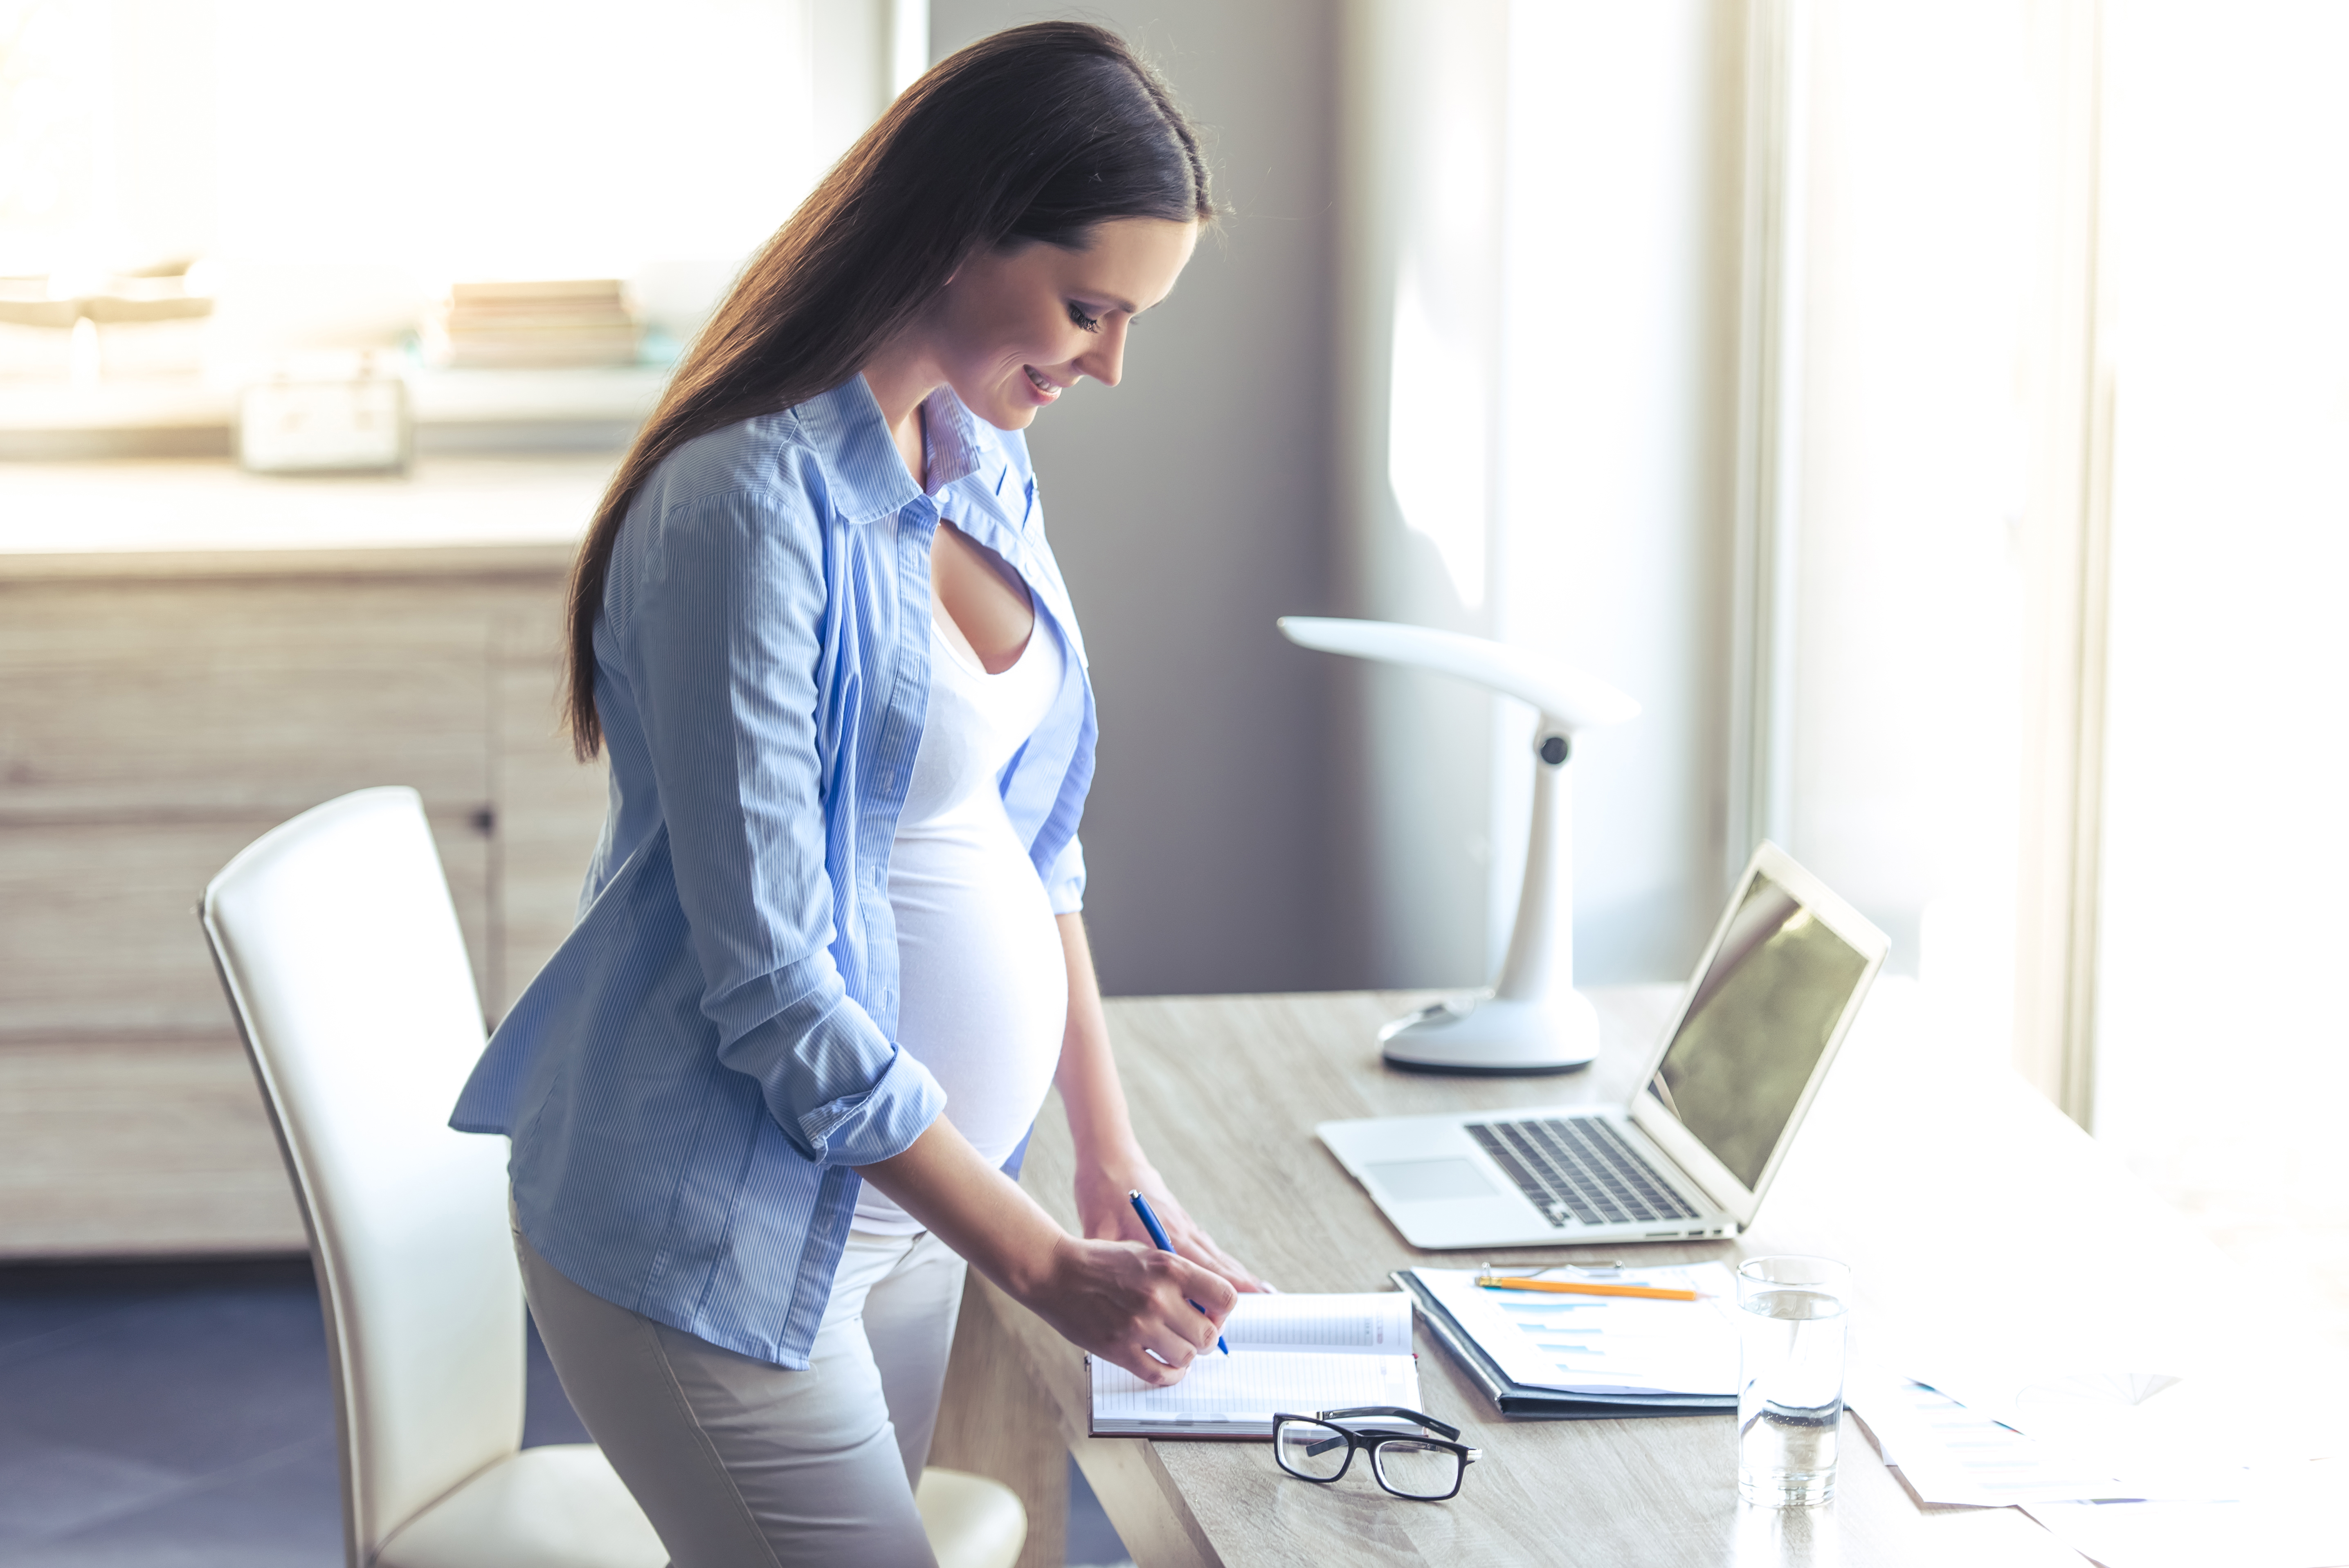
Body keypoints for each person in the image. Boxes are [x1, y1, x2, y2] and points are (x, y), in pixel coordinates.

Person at [448, 23, 1266, 1566]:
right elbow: (771, 985)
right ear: (962, 227)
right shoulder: (744, 508)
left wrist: (1106, 1154)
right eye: (1088, 309)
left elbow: (1037, 841)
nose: (1107, 363)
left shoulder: (973, 453)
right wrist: (1039, 1265)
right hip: (723, 1233)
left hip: (907, 1217)